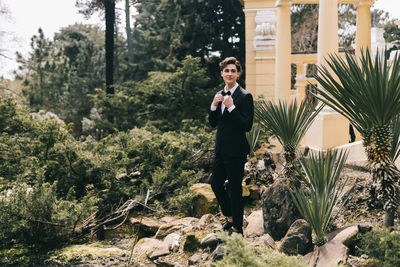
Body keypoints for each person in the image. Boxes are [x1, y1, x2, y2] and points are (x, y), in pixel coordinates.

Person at [208, 57, 254, 235]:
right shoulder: (219, 94)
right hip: (220, 149)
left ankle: (237, 228)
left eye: (233, 71)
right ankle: (230, 217)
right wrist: (213, 106)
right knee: (215, 184)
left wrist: (232, 107)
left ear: (238, 74)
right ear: (221, 73)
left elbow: (247, 125)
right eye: (226, 71)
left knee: (234, 189)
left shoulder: (245, 96)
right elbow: (213, 123)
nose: (229, 74)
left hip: (236, 150)